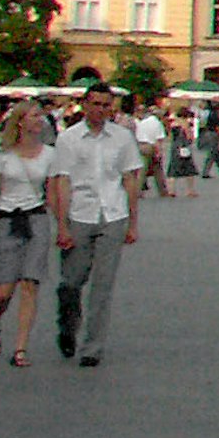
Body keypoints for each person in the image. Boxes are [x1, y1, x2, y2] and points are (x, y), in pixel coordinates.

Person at [47, 83, 146, 369]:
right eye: (96, 104)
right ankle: (67, 326)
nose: (100, 110)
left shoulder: (122, 137)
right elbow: (61, 180)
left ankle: (93, 346)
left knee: (103, 285)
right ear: (84, 105)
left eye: (106, 105)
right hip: (80, 214)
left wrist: (133, 222)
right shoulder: (69, 139)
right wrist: (62, 225)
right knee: (71, 281)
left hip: (112, 214)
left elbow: (130, 179)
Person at [0, 103, 57, 367]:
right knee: (4, 291)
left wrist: (64, 226)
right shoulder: (3, 154)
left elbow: (53, 192)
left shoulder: (49, 154)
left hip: (36, 219)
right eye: (35, 116)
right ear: (20, 122)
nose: (40, 120)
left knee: (30, 283)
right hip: (7, 219)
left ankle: (21, 348)